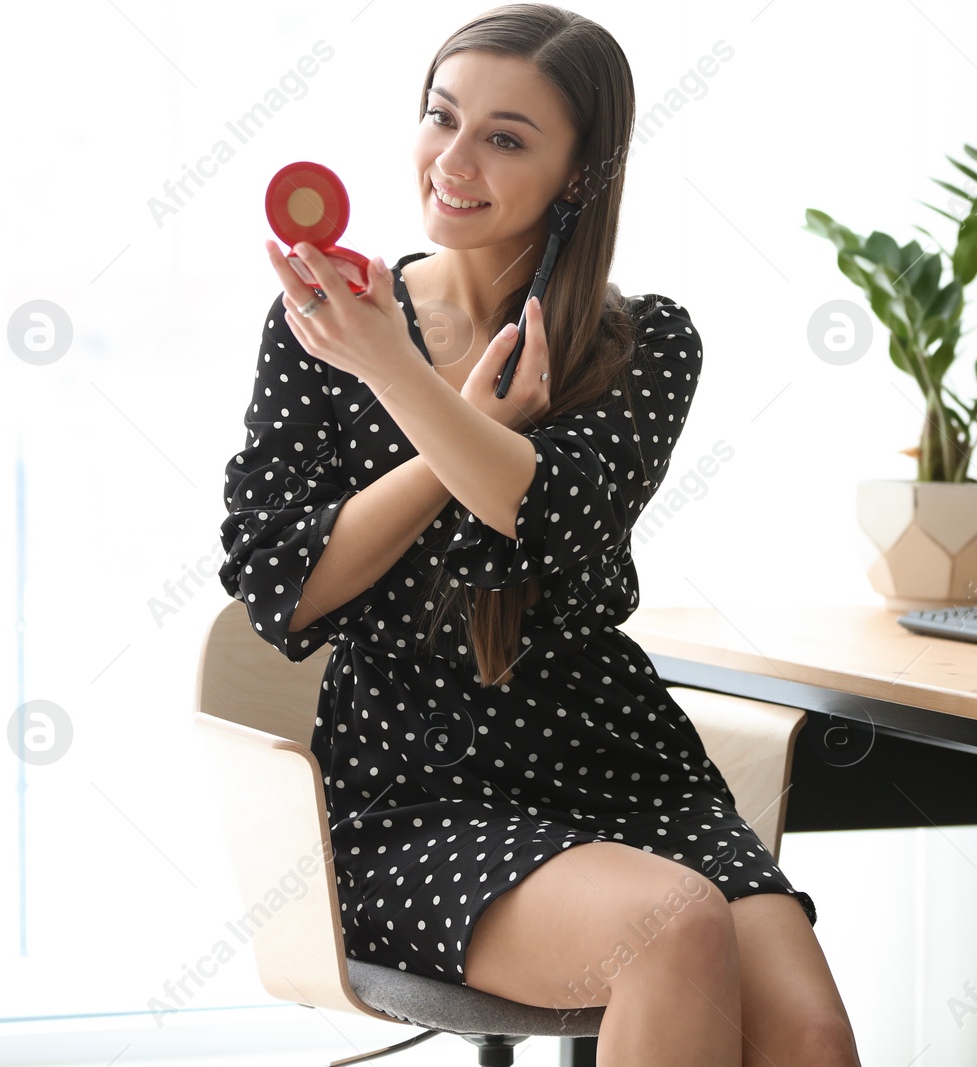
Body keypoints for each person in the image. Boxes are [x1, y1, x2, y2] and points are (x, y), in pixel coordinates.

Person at [218, 5, 859, 1063]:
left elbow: (554, 518)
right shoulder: (333, 325)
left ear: (577, 175)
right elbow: (284, 587)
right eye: (440, 118)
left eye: (506, 138)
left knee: (808, 1032)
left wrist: (407, 380)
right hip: (413, 784)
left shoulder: (644, 340)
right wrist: (404, 378)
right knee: (673, 922)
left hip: (619, 763)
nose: (452, 161)